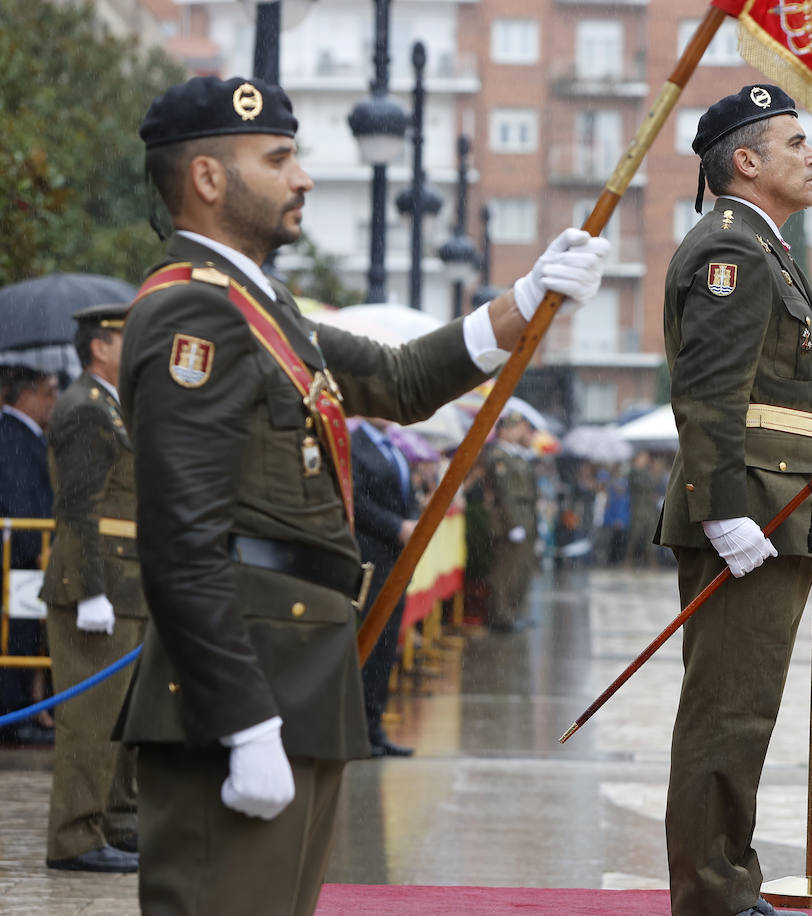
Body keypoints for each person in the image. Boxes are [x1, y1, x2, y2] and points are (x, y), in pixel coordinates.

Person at [117, 75, 608, 916]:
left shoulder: (263, 308)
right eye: (278, 158)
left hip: (300, 668)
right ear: (206, 178)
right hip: (241, 685)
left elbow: (400, 376)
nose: (302, 177)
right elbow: (180, 539)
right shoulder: (190, 315)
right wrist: (243, 722)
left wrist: (525, 300)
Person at [654, 84, 812, 916]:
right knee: (724, 714)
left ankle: (726, 882)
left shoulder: (766, 251)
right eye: (795, 142)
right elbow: (708, 394)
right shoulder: (730, 251)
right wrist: (724, 510)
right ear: (747, 161)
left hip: (777, 511)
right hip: (750, 513)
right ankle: (712, 898)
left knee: (745, 712)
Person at [39, 303, 145, 873]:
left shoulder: (116, 407)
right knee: (90, 720)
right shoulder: (86, 409)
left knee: (124, 719)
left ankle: (117, 821)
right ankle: (75, 837)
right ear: (100, 347)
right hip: (99, 586)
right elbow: (79, 509)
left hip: (130, 585)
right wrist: (89, 592)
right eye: (130, 337)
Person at [0, 366, 60, 745]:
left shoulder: (27, 435)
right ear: (26, 395)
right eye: (48, 392)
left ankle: (26, 707)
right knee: (17, 633)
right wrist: (37, 549)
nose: (54, 401)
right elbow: (20, 499)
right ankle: (14, 711)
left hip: (29, 553)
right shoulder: (13, 436)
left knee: (27, 632)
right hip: (22, 555)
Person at [350, 419, 417, 757]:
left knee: (386, 645)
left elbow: (407, 496)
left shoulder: (395, 448)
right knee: (368, 644)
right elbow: (356, 501)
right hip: (369, 558)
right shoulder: (355, 443)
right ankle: (357, 729)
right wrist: (396, 527)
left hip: (395, 564)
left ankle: (375, 727)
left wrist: (415, 520)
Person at [479, 415, 540, 631]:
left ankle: (513, 613)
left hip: (524, 516)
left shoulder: (518, 456)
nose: (520, 432)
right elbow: (504, 494)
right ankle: (500, 616)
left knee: (521, 569)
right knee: (506, 571)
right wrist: (513, 524)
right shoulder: (498, 456)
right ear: (503, 431)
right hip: (508, 520)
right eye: (516, 428)